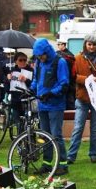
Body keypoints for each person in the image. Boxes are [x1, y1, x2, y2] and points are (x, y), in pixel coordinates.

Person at [67, 34, 96, 164]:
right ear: (85, 44)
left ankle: (94, 154)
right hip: (82, 98)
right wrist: (86, 80)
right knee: (78, 128)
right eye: (89, 44)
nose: (91, 47)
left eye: (94, 45)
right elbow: (73, 76)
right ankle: (71, 156)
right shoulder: (77, 58)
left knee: (95, 129)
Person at [31, 38, 69, 175]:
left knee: (56, 135)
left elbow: (64, 84)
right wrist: (31, 89)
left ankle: (63, 164)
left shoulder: (60, 62)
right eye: (38, 56)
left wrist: (51, 93)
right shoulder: (39, 63)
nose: (40, 58)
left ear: (47, 51)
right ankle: (47, 163)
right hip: (42, 104)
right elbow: (36, 79)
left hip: (55, 105)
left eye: (41, 55)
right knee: (44, 135)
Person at [55, 39, 76, 110]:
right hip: (70, 82)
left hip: (67, 81)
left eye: (59, 44)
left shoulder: (66, 56)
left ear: (63, 45)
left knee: (69, 102)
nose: (58, 46)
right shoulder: (70, 55)